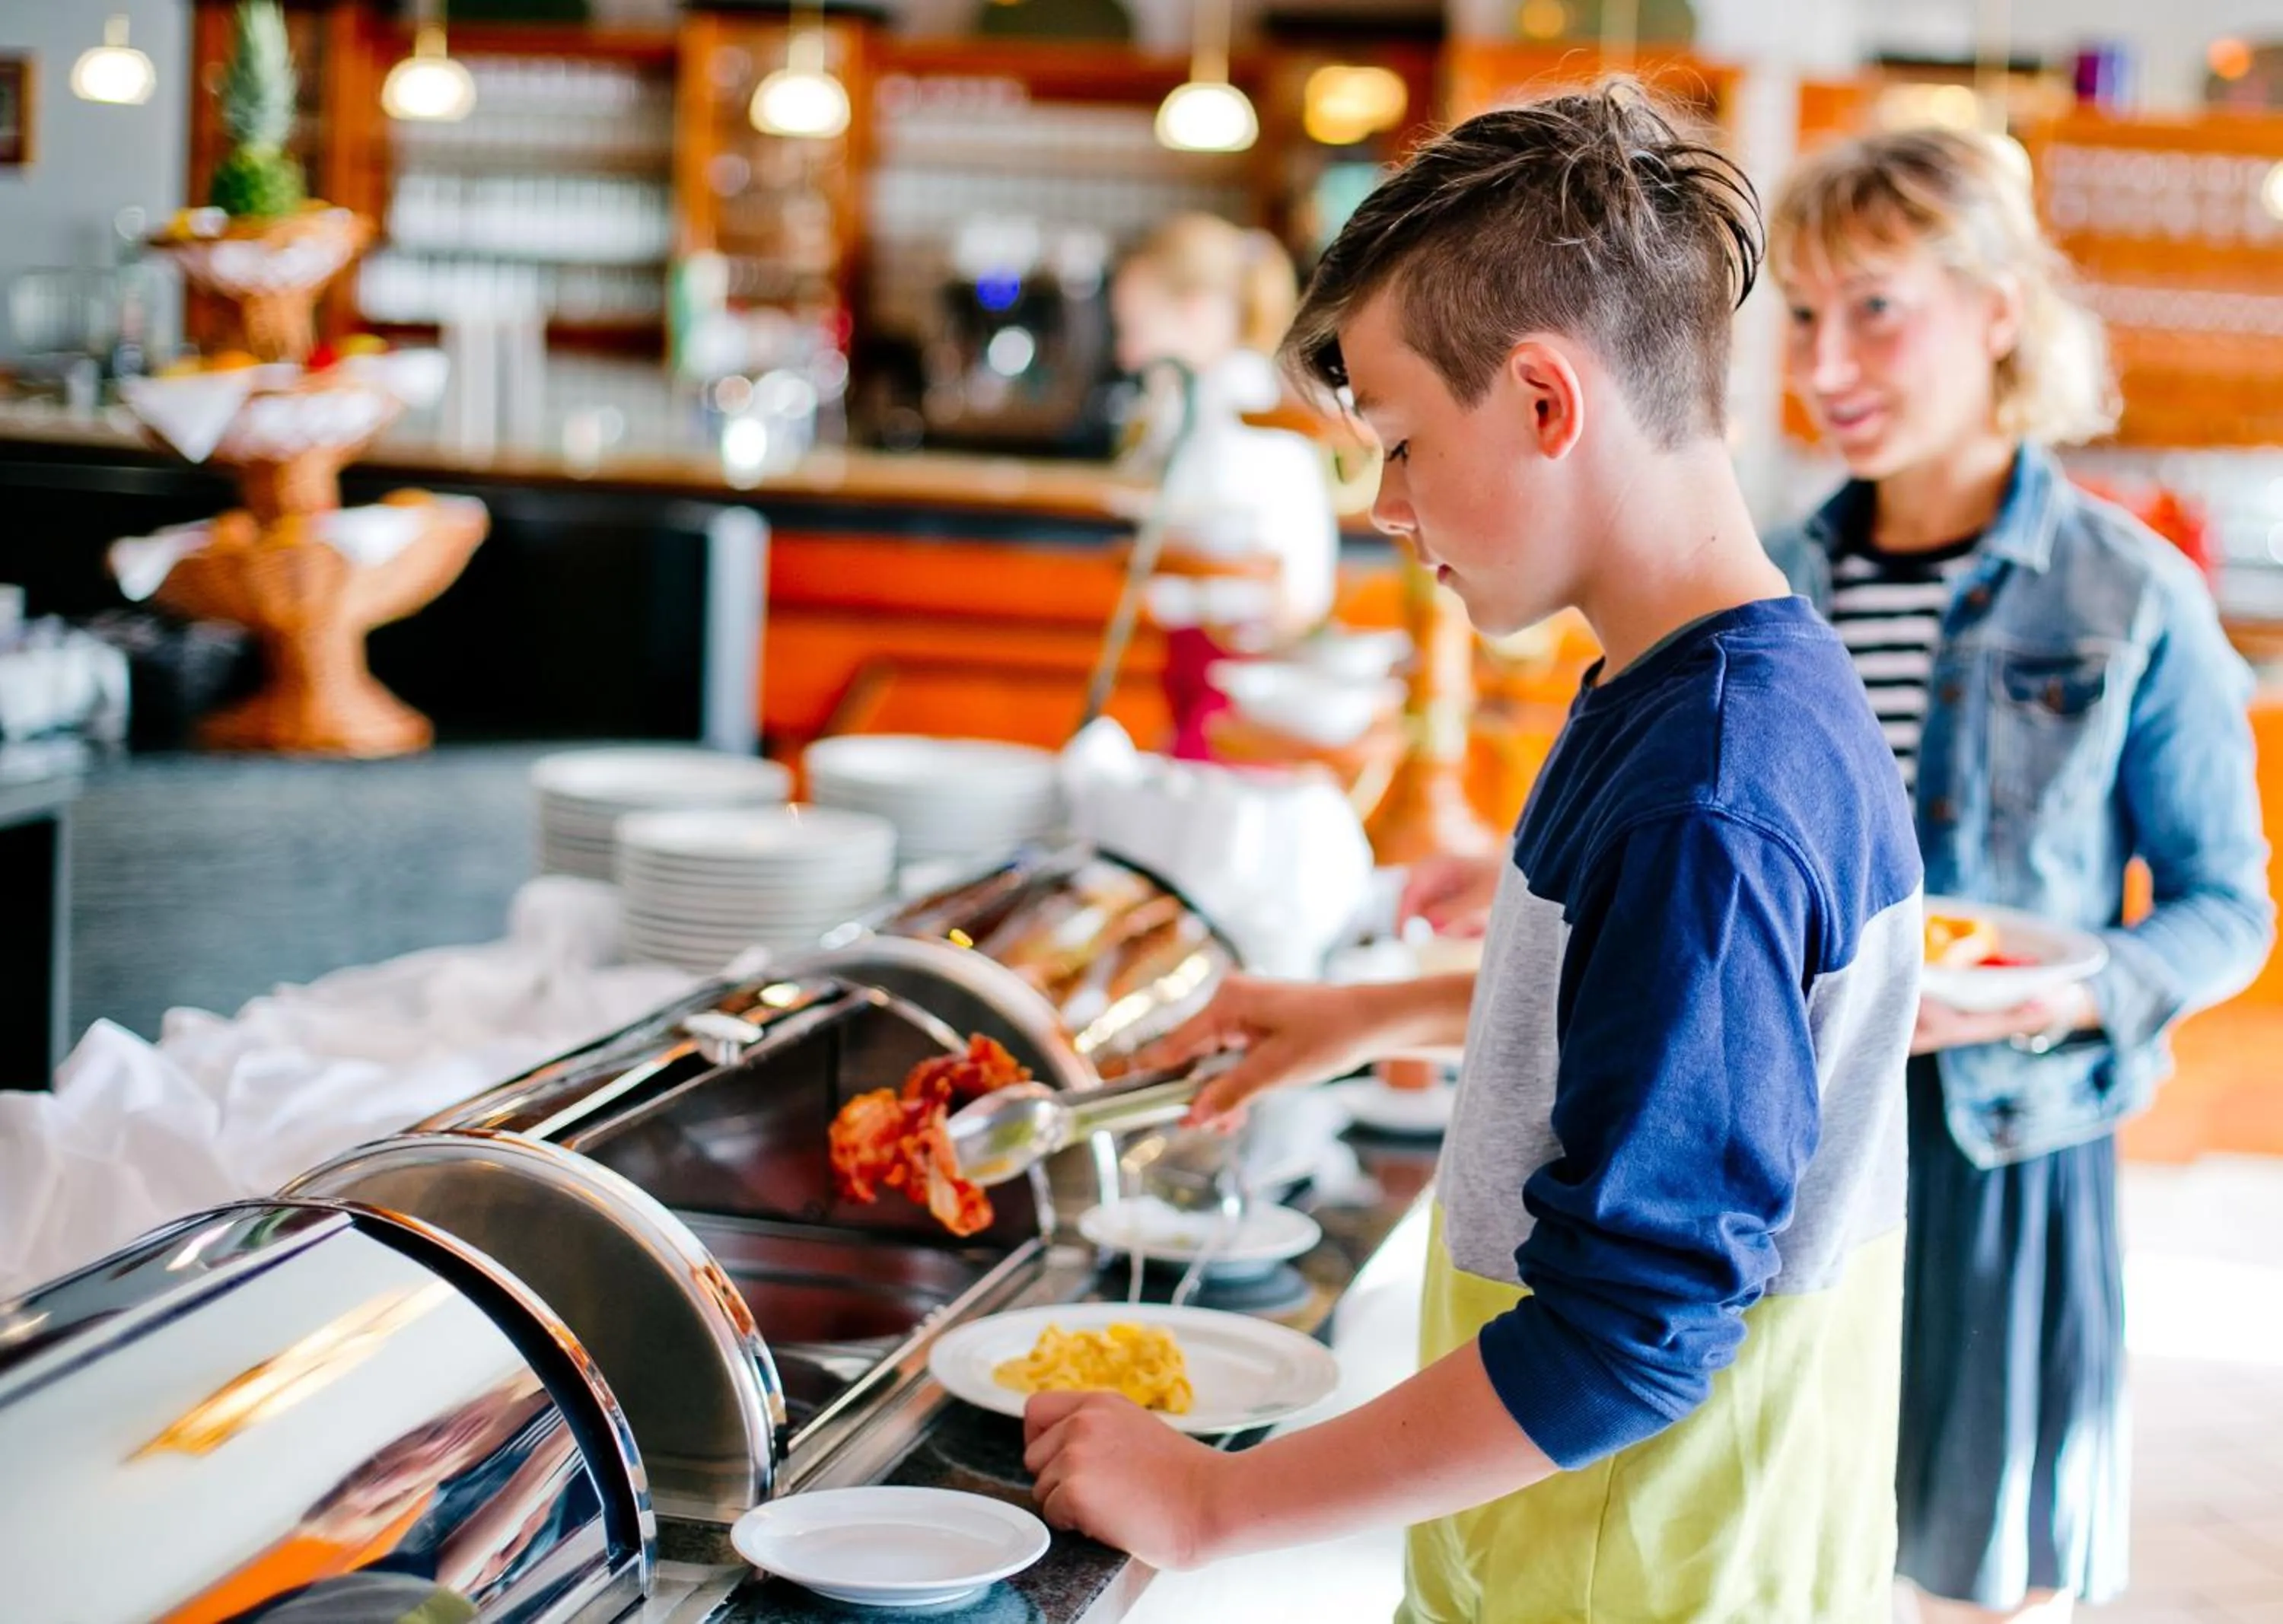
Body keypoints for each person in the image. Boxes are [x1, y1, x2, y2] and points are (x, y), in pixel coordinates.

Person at [1023, 83, 1925, 1622]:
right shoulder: (1703, 691)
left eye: (1399, 441)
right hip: (1603, 1549)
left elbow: (1630, 1330)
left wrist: (1213, 1500)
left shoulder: (1707, 789)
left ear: (1544, 400)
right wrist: (1372, 1011)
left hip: (1635, 1574)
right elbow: (1679, 1028)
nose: (1384, 506)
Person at [1763, 128, 2273, 1622]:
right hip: (1789, 1130)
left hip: (2007, 1146)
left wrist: (2070, 985)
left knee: (1987, 1576)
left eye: (1875, 305)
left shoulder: (2131, 591)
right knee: (1788, 1532)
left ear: (1997, 312)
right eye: (1800, 312)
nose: (1825, 357)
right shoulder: (1769, 585)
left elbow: (2226, 905)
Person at [1109, 213, 1341, 758]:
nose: (1127, 355)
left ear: (1199, 312)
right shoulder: (1216, 399)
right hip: (1214, 651)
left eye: (1136, 329)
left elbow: (1253, 559)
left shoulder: (1239, 413)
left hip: (1234, 656)